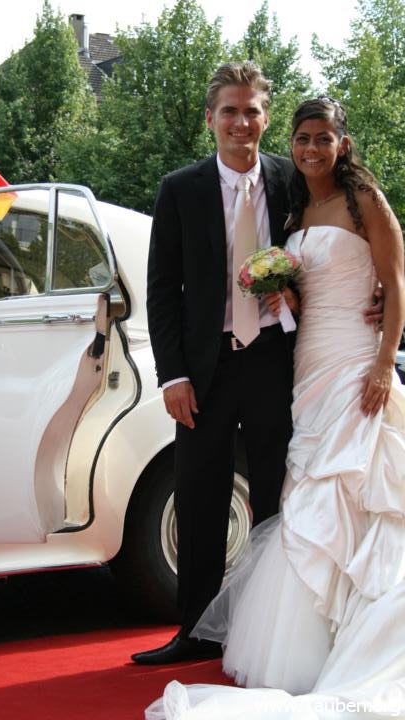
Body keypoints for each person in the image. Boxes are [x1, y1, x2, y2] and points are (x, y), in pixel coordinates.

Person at [145, 97, 405, 719]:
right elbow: (162, 288)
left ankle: (334, 633)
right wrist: (173, 372)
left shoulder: (315, 187)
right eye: (229, 111)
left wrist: (383, 352)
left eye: (253, 111)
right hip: (252, 365)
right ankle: (196, 627)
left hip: (300, 363)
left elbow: (393, 275)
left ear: (340, 142)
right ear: (210, 118)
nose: (311, 149)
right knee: (202, 490)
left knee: (293, 491)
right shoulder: (193, 189)